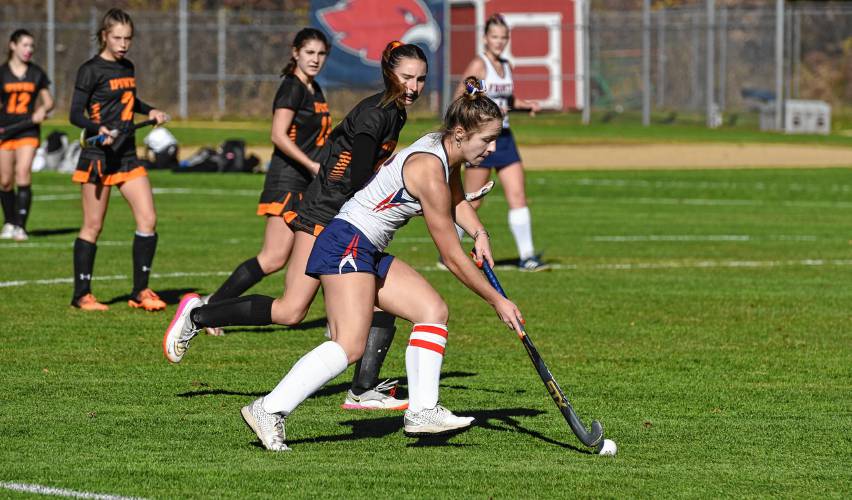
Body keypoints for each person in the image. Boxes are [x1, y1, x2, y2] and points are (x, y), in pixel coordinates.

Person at [238, 78, 523, 450]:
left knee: (432, 310)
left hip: (364, 247)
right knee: (349, 345)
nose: (492, 148)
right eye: (486, 140)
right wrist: (497, 300)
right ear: (459, 133)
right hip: (346, 242)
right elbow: (452, 257)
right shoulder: (429, 171)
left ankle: (422, 411)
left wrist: (480, 231)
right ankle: (269, 409)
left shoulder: (443, 151)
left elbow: (456, 196)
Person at [164, 41, 429, 411]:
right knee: (291, 310)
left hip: (350, 220)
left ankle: (363, 388)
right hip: (327, 215)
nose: (414, 87)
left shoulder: (395, 113)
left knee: (377, 298)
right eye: (406, 78)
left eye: (420, 79)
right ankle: (198, 314)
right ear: (389, 74)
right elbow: (359, 178)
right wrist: (406, 198)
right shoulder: (375, 115)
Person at [202, 28, 332, 336]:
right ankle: (210, 309)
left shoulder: (314, 88)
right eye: (309, 52)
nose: (315, 59)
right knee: (273, 258)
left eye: (321, 53)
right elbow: (277, 135)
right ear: (295, 52)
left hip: (309, 184)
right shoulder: (292, 88)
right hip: (287, 181)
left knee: (323, 244)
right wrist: (311, 163)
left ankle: (338, 320)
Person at [69, 8, 168, 311]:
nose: (124, 43)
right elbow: (75, 114)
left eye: (128, 38)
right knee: (93, 226)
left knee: (148, 219)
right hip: (98, 156)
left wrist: (149, 110)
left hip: (127, 156)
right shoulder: (90, 69)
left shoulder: (128, 67)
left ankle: (140, 291)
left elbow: (128, 100)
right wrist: (97, 128)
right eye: (117, 38)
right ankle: (82, 295)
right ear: (104, 36)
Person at [453, 13, 548, 271]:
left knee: (517, 195)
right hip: (482, 139)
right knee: (473, 200)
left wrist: (524, 104)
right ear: (485, 38)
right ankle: (449, 250)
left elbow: (508, 98)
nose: (499, 41)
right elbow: (462, 98)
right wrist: (486, 114)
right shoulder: (479, 65)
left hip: (505, 138)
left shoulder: (506, 65)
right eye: (494, 36)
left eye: (503, 37)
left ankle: (527, 256)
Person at [0, 29, 54, 241]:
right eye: (24, 45)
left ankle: (21, 226)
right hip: (6, 131)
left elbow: (49, 100)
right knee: (5, 181)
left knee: (23, 173)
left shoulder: (36, 73)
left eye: (31, 46)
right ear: (12, 46)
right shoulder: (2, 73)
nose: (29, 50)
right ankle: (10, 222)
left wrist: (43, 110)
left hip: (28, 130)